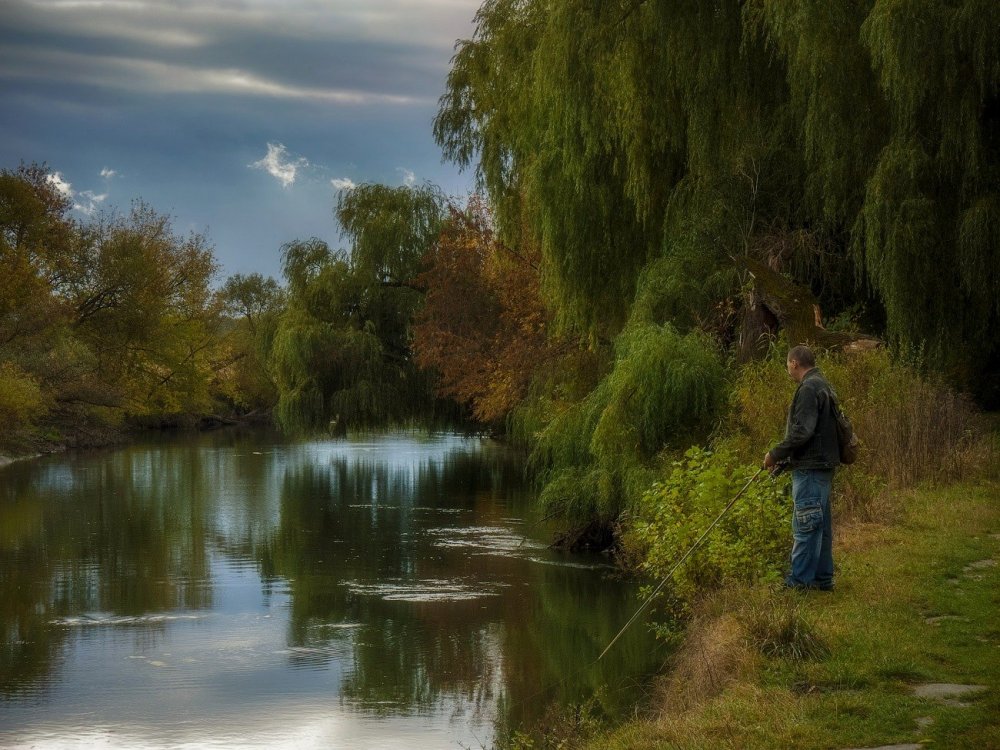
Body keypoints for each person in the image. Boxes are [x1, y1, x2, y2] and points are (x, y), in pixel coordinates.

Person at [764, 344, 840, 591]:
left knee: (806, 525)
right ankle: (822, 578)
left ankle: (798, 583)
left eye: (787, 364)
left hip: (811, 468)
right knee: (820, 526)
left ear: (794, 363)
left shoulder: (808, 388)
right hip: (824, 465)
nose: (787, 368)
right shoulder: (823, 384)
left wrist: (775, 453)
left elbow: (803, 431)